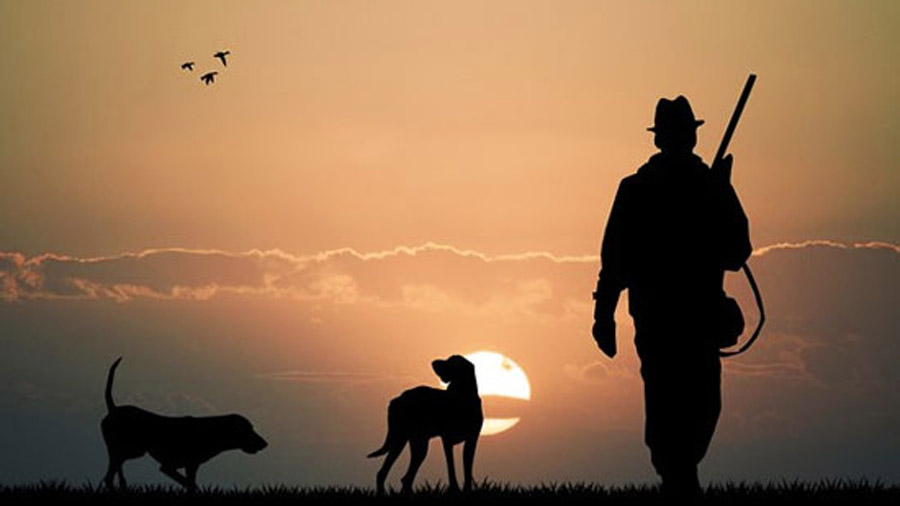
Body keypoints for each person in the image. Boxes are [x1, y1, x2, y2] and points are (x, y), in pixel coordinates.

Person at [591, 95, 752, 498]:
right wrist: (602, 315)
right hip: (684, 316)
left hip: (664, 316)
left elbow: (735, 251)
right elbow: (738, 250)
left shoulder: (645, 188)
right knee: (691, 401)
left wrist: (604, 316)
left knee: (675, 400)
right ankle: (681, 479)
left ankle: (677, 475)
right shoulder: (674, 187)